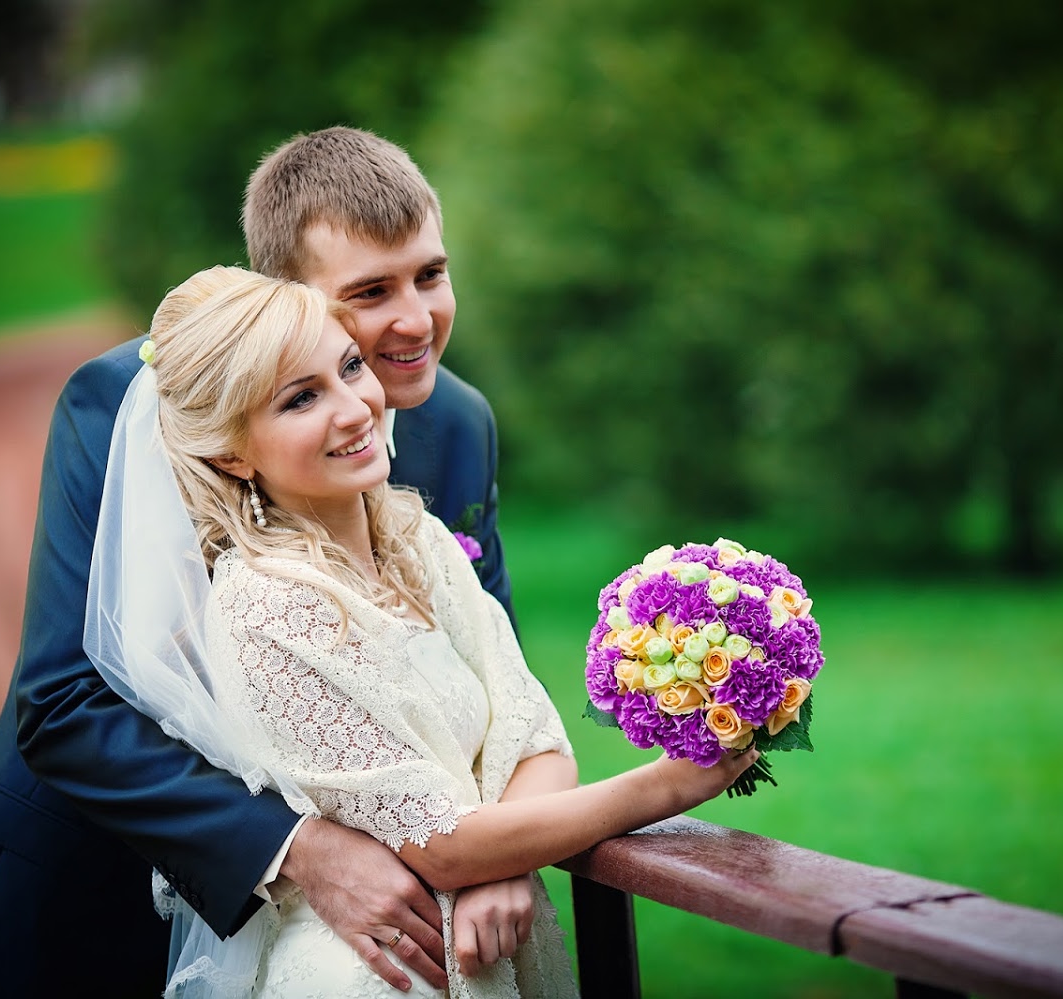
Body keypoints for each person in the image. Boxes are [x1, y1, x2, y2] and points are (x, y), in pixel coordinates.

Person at [0, 128, 509, 995]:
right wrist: (300, 850)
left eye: (430, 274)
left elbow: (493, 684)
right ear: (282, 298)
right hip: (75, 909)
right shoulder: (128, 404)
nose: (415, 319)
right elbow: (66, 704)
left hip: (351, 950)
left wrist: (506, 848)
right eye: (370, 292)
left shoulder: (459, 425)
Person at [92, 265, 755, 997]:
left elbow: (535, 736)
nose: (355, 408)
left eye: (349, 368)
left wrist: (493, 866)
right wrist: (665, 786)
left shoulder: (421, 538)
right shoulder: (266, 605)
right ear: (230, 451)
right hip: (378, 972)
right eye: (301, 398)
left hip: (492, 942)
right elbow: (438, 842)